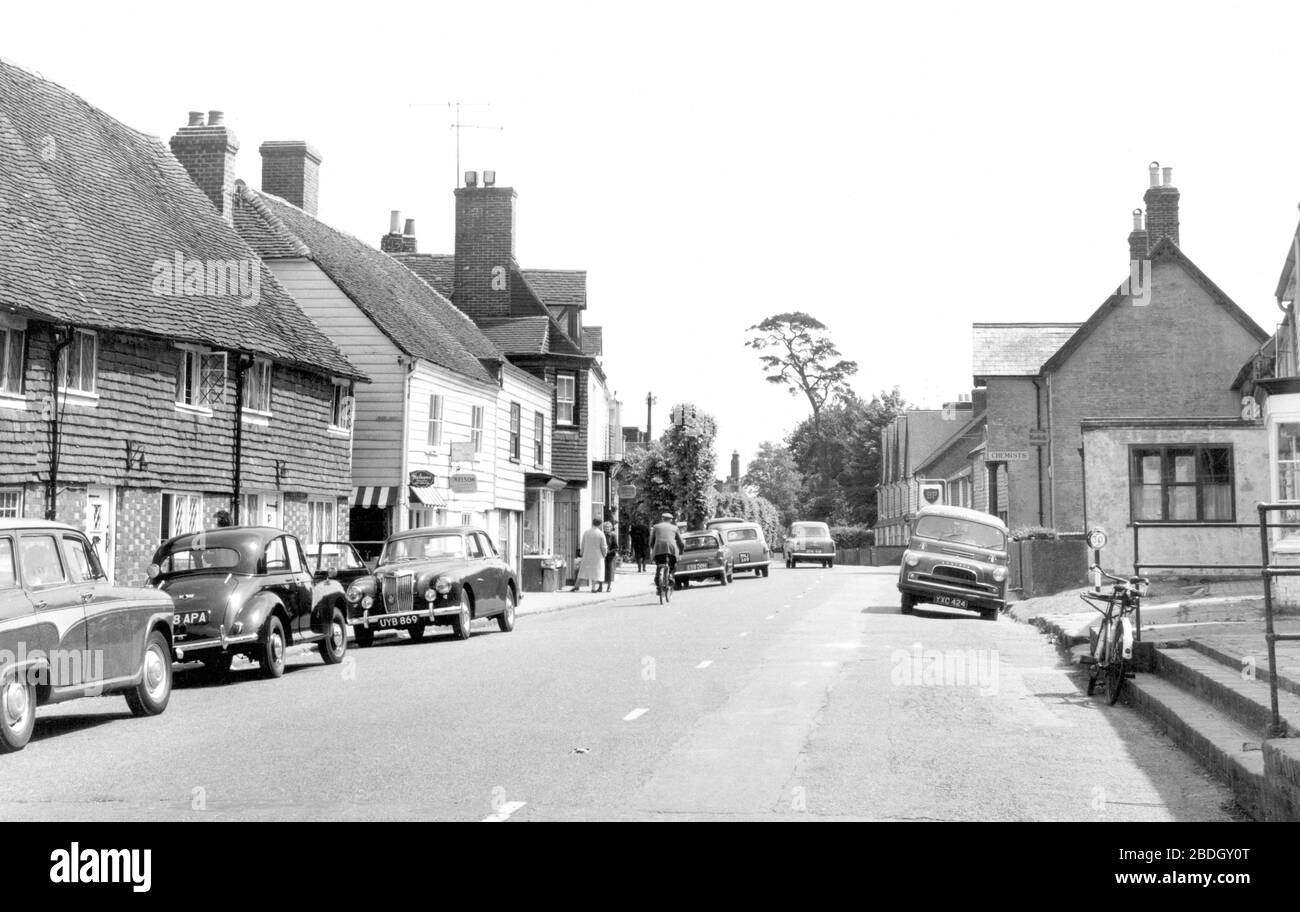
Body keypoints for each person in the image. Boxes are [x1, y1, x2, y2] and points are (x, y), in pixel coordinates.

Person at [649, 512, 685, 592]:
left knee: (659, 564)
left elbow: (651, 542)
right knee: (673, 565)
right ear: (671, 520)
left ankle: (658, 580)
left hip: (658, 549)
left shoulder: (656, 527)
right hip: (671, 550)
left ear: (662, 519)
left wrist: (653, 549)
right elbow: (681, 543)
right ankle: (671, 576)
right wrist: (681, 552)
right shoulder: (675, 528)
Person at [574, 518, 608, 592]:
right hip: (597, 555)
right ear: (600, 524)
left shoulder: (586, 532)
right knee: (596, 571)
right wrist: (604, 554)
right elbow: (603, 546)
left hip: (587, 554)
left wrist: (582, 553)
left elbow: (582, 543)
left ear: (592, 522)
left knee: (582, 570)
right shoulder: (600, 534)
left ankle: (576, 586)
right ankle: (593, 588)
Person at [599, 521, 618, 592]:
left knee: (609, 571)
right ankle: (600, 587)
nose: (607, 528)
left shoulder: (613, 535)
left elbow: (616, 547)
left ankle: (609, 587)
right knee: (601, 570)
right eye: (606, 527)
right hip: (602, 555)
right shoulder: (601, 534)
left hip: (610, 556)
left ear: (611, 528)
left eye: (609, 527)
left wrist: (609, 552)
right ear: (603, 528)